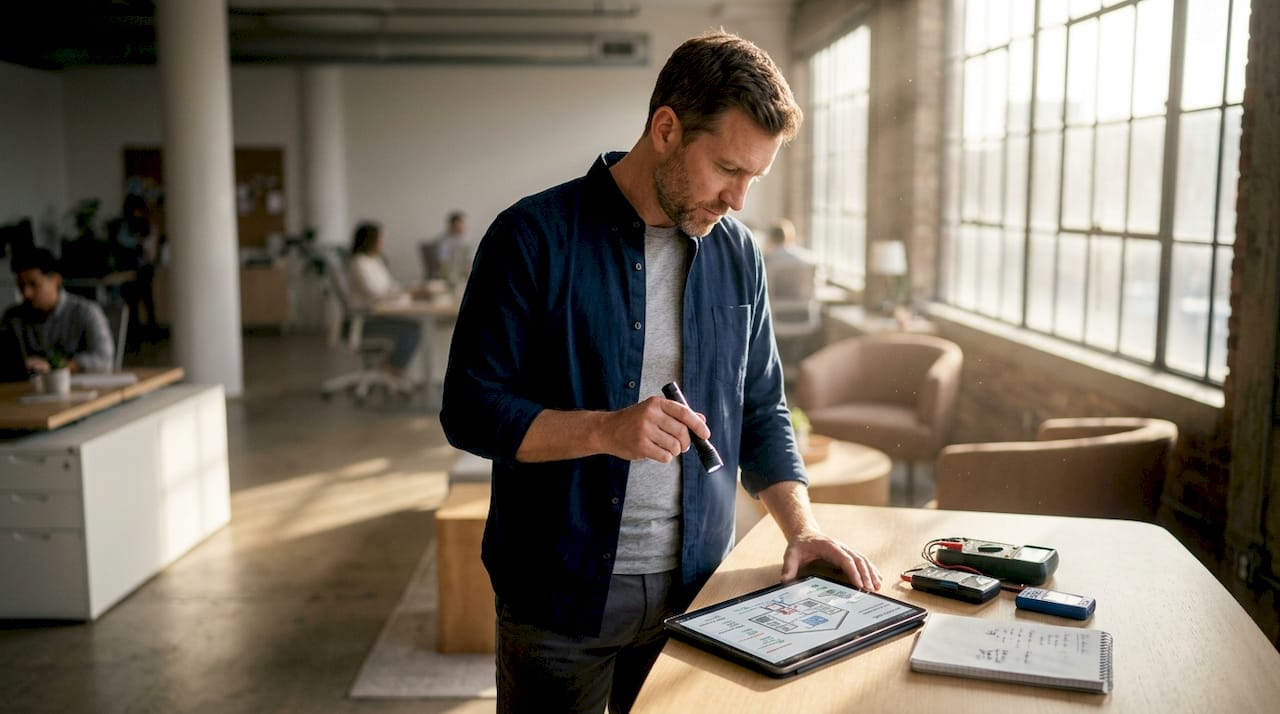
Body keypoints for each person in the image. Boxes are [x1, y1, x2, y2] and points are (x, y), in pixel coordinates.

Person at [440, 30, 883, 714]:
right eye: (728, 170)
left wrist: (802, 529)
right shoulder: (530, 238)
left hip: (700, 595)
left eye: (753, 180)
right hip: (558, 603)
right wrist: (605, 430)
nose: (739, 200)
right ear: (667, 129)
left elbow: (761, 408)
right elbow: (469, 408)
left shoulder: (737, 254)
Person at [2, 248, 114, 374]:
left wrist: (56, 365)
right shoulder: (13, 318)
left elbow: (104, 360)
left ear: (56, 280)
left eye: (33, 284)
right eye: (21, 287)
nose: (26, 293)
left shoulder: (86, 312)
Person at [346, 221, 425, 381]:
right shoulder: (359, 263)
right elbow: (376, 293)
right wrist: (405, 294)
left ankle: (392, 367)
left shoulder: (374, 260)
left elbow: (388, 287)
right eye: (380, 239)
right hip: (365, 320)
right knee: (412, 331)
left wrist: (406, 291)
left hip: (377, 314)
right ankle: (392, 367)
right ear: (370, 240)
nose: (383, 243)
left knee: (414, 326)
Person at [431, 210, 474, 287]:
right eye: (460, 225)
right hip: (448, 277)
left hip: (462, 276)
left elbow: (469, 262)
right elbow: (443, 263)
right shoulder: (444, 242)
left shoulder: (465, 241)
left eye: (463, 225)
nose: (462, 228)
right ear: (452, 226)